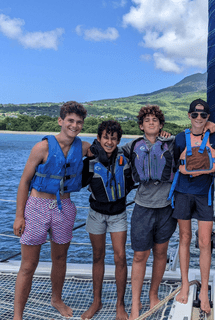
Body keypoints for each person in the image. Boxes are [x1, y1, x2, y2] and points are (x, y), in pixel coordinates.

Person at [12, 101, 91, 320]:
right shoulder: (42, 147)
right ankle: (17, 315)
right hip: (37, 207)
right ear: (61, 121)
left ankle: (56, 299)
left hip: (64, 207)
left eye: (79, 122)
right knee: (29, 264)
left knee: (60, 258)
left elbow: (108, 147)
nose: (74, 125)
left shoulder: (83, 148)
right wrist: (19, 215)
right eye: (70, 121)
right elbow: (24, 182)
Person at [120, 105, 178, 320]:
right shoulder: (131, 146)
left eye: (155, 120)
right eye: (147, 120)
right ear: (141, 125)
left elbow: (195, 140)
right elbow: (107, 151)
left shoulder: (171, 144)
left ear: (161, 124)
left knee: (161, 253)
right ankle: (136, 302)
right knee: (139, 255)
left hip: (166, 208)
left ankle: (153, 294)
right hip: (143, 206)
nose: (151, 122)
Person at [171, 98, 215, 314]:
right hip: (183, 191)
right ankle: (184, 284)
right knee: (184, 238)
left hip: (205, 195)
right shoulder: (180, 137)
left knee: (204, 242)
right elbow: (174, 163)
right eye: (195, 114)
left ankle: (203, 291)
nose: (199, 118)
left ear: (208, 117)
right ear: (189, 115)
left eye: (203, 115)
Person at [81, 120, 133, 320]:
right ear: (99, 139)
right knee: (97, 256)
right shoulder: (90, 161)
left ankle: (120, 305)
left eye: (113, 138)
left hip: (118, 214)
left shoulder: (125, 159)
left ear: (118, 140)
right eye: (106, 138)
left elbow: (130, 182)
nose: (109, 142)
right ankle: (97, 301)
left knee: (120, 257)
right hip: (96, 214)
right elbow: (78, 180)